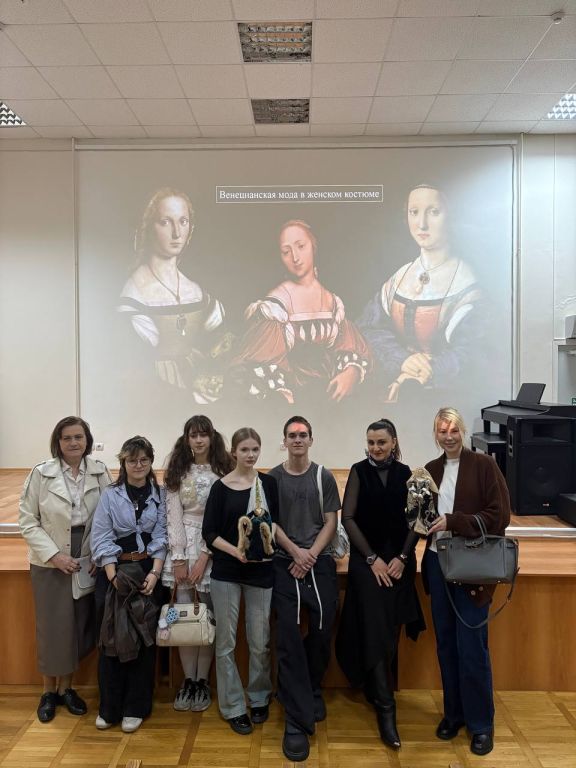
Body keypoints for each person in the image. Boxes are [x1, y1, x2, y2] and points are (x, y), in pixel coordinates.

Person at [423, 407, 511, 756]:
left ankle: (481, 725)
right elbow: (424, 520)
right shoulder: (430, 470)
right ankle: (454, 715)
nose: (448, 436)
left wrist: (453, 521)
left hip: (472, 566)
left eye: (454, 430)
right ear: (435, 434)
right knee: (446, 645)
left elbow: (499, 515)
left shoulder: (484, 466)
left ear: (462, 432)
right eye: (442, 431)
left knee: (472, 646)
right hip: (437, 563)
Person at [335, 418, 424, 749]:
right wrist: (373, 559)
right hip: (367, 560)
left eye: (381, 442)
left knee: (389, 630)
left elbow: (416, 520)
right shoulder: (359, 471)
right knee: (375, 625)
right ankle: (386, 706)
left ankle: (379, 689)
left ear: (393, 442)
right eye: (371, 442)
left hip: (399, 560)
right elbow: (348, 518)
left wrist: (402, 558)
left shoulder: (407, 474)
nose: (375, 448)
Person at [18, 416, 111, 723]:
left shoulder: (100, 472)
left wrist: (98, 553)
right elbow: (28, 521)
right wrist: (55, 556)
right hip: (50, 560)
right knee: (52, 629)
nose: (73, 442)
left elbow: (108, 515)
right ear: (57, 442)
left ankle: (67, 689)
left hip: (88, 558)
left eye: (78, 437)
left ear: (87, 440)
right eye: (67, 437)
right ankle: (48, 692)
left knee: (78, 627)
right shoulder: (40, 473)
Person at [358, 185, 482, 402]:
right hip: (396, 391)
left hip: (446, 398)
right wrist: (403, 360)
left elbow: (473, 352)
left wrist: (429, 371)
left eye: (433, 212)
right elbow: (367, 328)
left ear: (450, 216)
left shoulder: (466, 281)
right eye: (414, 212)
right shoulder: (400, 277)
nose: (422, 224)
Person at [233, 219, 370, 403]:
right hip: (294, 395)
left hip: (329, 394)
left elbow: (349, 345)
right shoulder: (277, 302)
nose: (295, 257)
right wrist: (282, 394)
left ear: (313, 246)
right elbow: (262, 361)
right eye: (286, 252)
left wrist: (351, 371)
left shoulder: (333, 301)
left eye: (301, 246)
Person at [269, 416, 340, 762]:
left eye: (302, 435)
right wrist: (296, 553)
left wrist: (309, 555)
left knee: (324, 627)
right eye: (291, 435)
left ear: (311, 439)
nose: (297, 440)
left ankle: (311, 688)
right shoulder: (272, 478)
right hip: (285, 560)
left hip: (318, 559)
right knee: (289, 631)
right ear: (284, 441)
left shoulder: (323, 476)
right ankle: (296, 718)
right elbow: (270, 523)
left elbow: (331, 522)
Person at [118, 187, 232, 403]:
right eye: (165, 222)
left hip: (200, 393)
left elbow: (221, 345)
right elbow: (132, 370)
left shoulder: (197, 291)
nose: (177, 233)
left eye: (183, 222)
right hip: (156, 398)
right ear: (149, 227)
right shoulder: (135, 292)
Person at [202, 428, 279, 735]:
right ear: (233, 452)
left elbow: (276, 524)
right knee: (226, 642)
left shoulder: (268, 484)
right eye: (244, 449)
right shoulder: (220, 488)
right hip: (227, 572)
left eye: (255, 449)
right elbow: (209, 533)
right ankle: (233, 705)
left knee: (260, 640)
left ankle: (259, 697)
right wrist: (235, 550)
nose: (250, 455)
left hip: (261, 572)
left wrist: (266, 545)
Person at [90, 436, 167, 733]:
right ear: (123, 462)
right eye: (132, 460)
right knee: (111, 637)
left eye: (144, 460)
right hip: (115, 571)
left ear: (150, 462)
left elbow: (161, 536)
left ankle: (136, 706)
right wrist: (112, 575)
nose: (138, 465)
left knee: (143, 637)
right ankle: (109, 707)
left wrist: (155, 574)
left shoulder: (160, 494)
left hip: (147, 570)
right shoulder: (110, 495)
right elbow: (101, 536)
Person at [162, 415, 234, 712]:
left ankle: (202, 680)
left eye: (204, 434)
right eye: (194, 435)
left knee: (208, 616)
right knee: (182, 616)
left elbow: (224, 516)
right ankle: (188, 680)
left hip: (213, 547)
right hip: (182, 546)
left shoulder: (225, 469)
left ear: (212, 436)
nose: (199, 440)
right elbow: (173, 515)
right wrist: (179, 557)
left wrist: (205, 554)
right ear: (187, 438)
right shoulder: (177, 468)